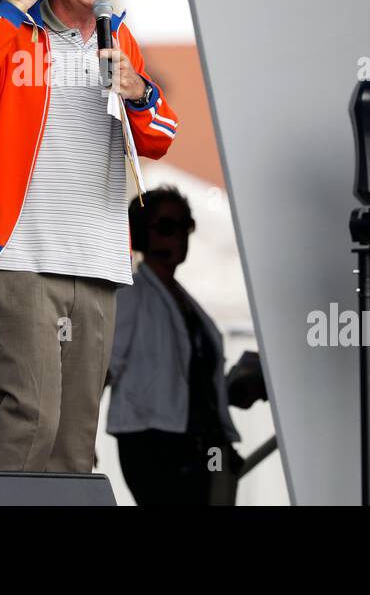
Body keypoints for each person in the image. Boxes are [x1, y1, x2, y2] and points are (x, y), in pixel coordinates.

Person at [0, 0, 179, 473]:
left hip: (97, 263)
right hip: (20, 258)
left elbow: (160, 138)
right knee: (30, 423)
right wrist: (11, 6)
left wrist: (139, 91)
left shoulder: (121, 39)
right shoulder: (17, 31)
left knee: (73, 447)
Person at [107, 187, 242, 504]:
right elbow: (104, 368)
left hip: (202, 442)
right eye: (167, 227)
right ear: (142, 235)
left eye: (186, 226)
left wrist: (235, 387)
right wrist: (80, 440)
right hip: (153, 443)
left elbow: (189, 379)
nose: (179, 236)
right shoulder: (130, 295)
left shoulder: (188, 302)